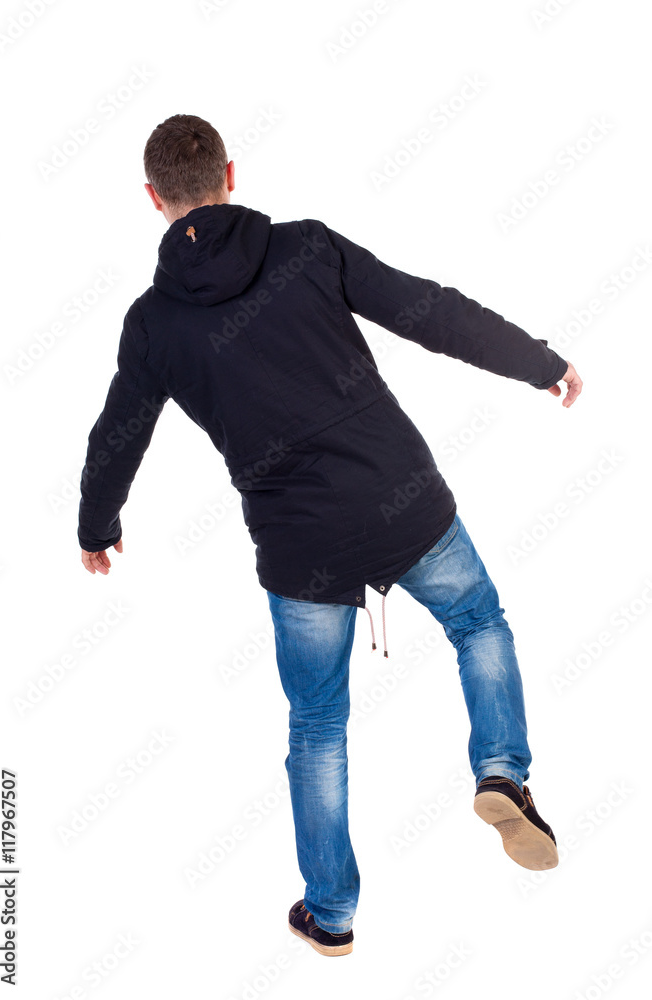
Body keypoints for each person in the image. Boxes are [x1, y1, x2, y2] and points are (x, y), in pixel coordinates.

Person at [77, 114, 583, 958]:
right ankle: (501, 771)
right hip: (404, 501)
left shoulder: (154, 325)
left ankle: (333, 913)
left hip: (299, 550)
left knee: (317, 725)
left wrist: (98, 526)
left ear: (154, 198)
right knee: (478, 623)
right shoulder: (306, 248)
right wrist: (540, 362)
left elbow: (117, 435)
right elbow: (432, 312)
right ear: (231, 176)